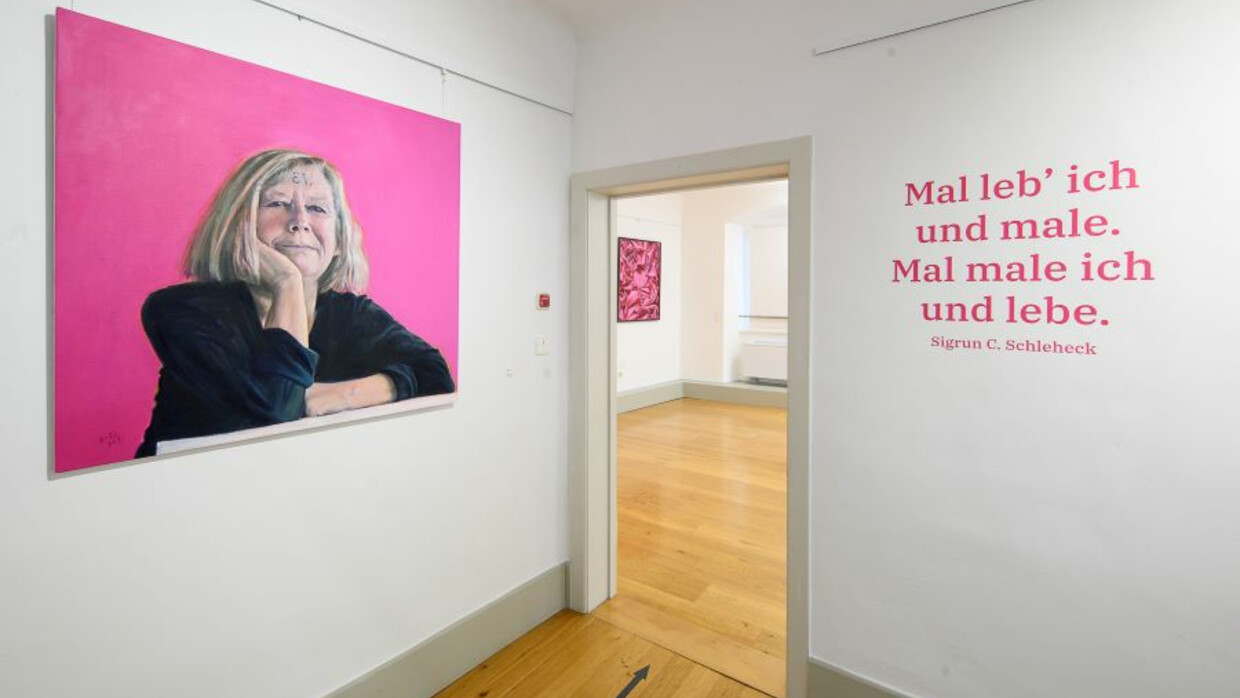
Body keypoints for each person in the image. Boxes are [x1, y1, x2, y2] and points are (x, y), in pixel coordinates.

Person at [135, 149, 454, 457]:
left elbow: (435, 374)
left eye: (317, 208)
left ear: (339, 239)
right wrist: (286, 282)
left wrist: (334, 397)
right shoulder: (181, 311)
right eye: (277, 203)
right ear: (236, 226)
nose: (299, 220)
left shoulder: (350, 315)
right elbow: (279, 414)